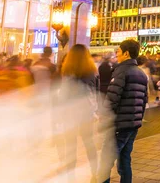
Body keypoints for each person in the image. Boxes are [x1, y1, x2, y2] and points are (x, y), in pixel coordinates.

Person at [100, 40, 148, 183]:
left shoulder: (121, 71)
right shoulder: (141, 73)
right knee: (125, 159)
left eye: (119, 51)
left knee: (105, 162)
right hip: (133, 124)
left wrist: (103, 118)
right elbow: (144, 101)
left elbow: (112, 98)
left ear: (126, 53)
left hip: (120, 125)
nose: (117, 54)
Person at [60, 44, 99, 182]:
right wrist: (94, 112)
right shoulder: (91, 72)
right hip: (86, 114)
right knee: (89, 143)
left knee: (70, 146)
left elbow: (63, 95)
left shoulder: (67, 71)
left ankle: (70, 177)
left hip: (70, 114)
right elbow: (93, 94)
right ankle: (95, 173)